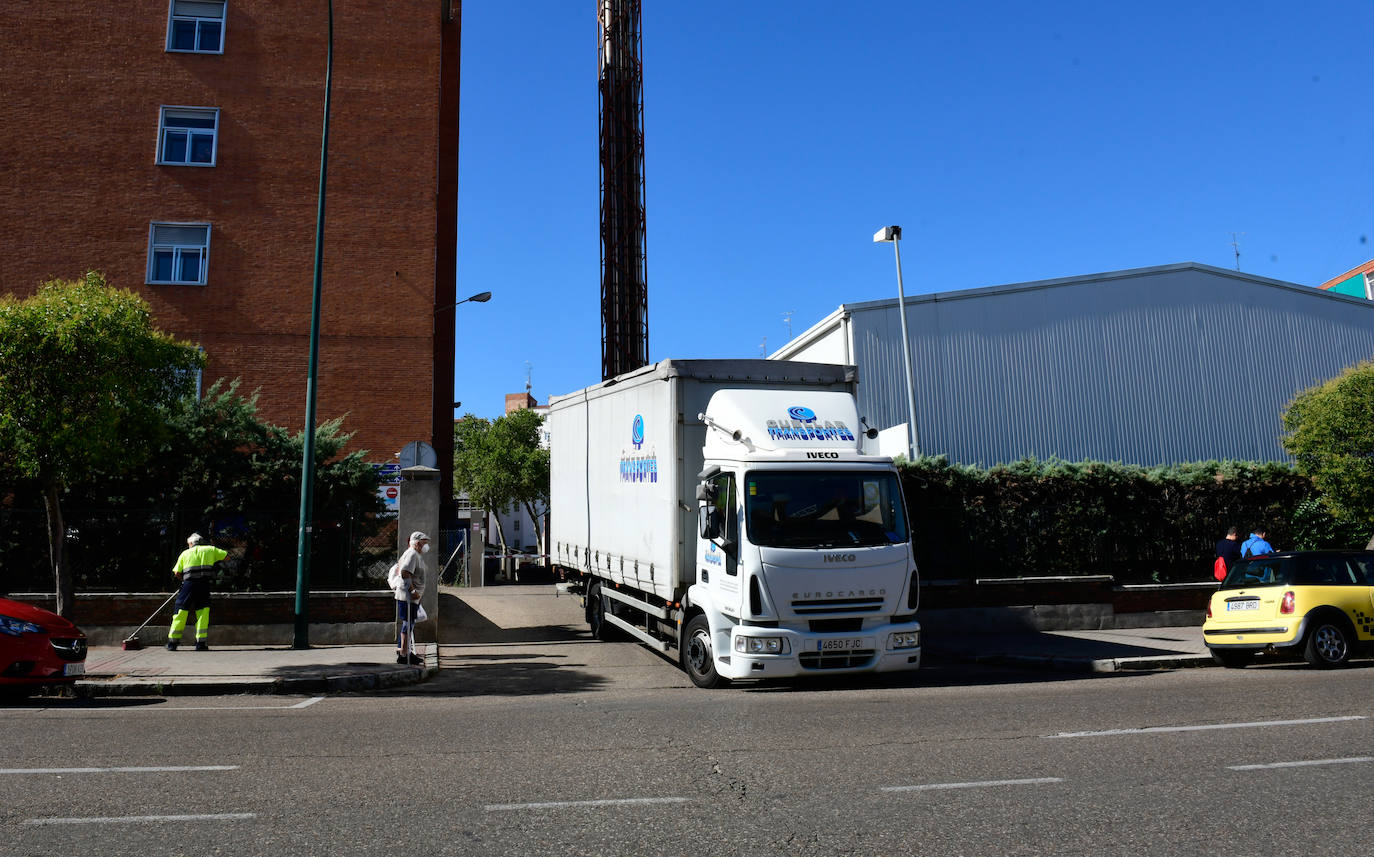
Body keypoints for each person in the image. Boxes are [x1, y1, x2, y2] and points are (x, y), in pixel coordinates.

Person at [167, 532, 228, 652]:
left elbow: (177, 573)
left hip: (188, 585)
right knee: (203, 612)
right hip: (204, 585)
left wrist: (183, 580)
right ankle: (201, 644)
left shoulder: (185, 553)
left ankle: (172, 643)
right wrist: (213, 560)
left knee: (181, 611)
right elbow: (227, 557)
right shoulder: (211, 550)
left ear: (190, 543)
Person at [394, 531, 428, 666]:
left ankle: (406, 653)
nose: (426, 545)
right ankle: (403, 654)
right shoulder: (412, 554)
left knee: (410, 624)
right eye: (424, 542)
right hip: (408, 597)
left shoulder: (415, 554)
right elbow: (404, 573)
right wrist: (413, 591)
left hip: (412, 597)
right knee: (408, 624)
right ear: (418, 543)